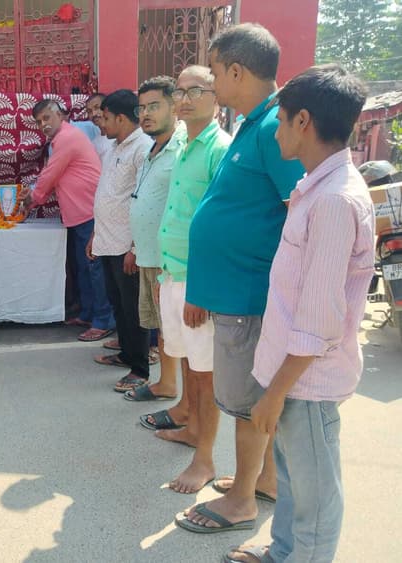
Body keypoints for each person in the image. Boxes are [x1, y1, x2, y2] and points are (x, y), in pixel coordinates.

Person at [225, 64, 373, 563]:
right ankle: (282, 551)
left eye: (282, 120)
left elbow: (317, 321)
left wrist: (275, 393)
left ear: (303, 121)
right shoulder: (317, 187)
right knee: (291, 478)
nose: (277, 132)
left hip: (306, 381)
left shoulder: (333, 200)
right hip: (292, 377)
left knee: (314, 497)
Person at [176, 23, 305, 533]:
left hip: (249, 295)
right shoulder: (256, 124)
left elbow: (297, 210)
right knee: (250, 402)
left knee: (249, 405)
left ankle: (242, 500)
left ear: (235, 71)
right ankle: (263, 480)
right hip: (237, 292)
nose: (211, 82)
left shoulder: (274, 127)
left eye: (214, 72)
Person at [149, 67, 231, 495]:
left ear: (217, 96)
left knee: (205, 372)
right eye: (179, 91)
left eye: (195, 90)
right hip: (173, 272)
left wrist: (201, 287)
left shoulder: (220, 149)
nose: (184, 99)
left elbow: (220, 226)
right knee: (184, 359)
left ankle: (206, 459)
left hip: (197, 280)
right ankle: (193, 428)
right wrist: (166, 273)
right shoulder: (182, 144)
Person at [21, 99, 115, 341]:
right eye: (38, 122)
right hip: (79, 214)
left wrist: (32, 199)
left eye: (47, 118)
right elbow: (53, 177)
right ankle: (88, 313)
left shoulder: (66, 138)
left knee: (94, 268)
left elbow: (49, 176)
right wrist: (35, 197)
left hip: (90, 212)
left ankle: (103, 321)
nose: (43, 124)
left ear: (60, 116)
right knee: (84, 267)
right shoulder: (62, 139)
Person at [123, 75, 185, 403]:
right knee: (162, 327)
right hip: (148, 254)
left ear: (175, 106)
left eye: (154, 106)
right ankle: (166, 383)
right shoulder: (153, 149)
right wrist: (135, 247)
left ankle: (180, 393)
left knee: (175, 328)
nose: (145, 114)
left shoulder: (182, 149)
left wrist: (170, 263)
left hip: (169, 260)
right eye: (142, 108)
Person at [87, 89, 153, 392]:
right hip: (108, 241)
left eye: (105, 117)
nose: (100, 122)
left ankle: (140, 369)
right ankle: (126, 353)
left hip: (127, 246)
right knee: (119, 304)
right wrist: (95, 234)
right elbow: (108, 195)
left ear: (122, 118)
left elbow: (145, 201)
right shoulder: (115, 147)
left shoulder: (143, 148)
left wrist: (136, 248)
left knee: (134, 309)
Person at [85, 92, 114, 159]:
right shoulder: (94, 144)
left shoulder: (120, 136)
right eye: (89, 111)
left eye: (97, 108)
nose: (93, 114)